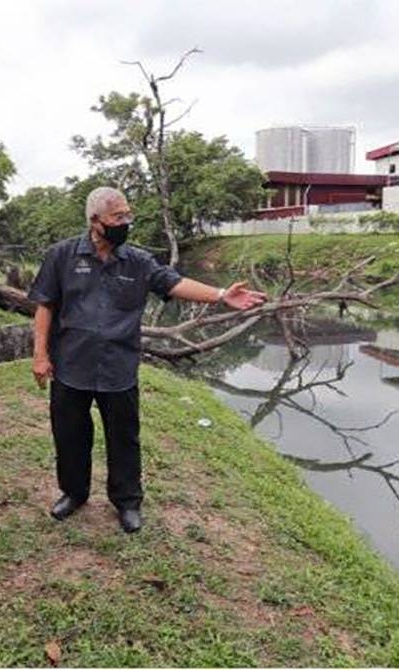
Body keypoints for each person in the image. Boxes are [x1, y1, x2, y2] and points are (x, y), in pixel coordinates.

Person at [29, 186, 266, 534]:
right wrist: (40, 355)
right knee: (70, 435)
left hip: (119, 367)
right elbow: (45, 305)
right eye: (119, 217)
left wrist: (220, 295)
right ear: (96, 221)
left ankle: (127, 502)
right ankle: (74, 493)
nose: (127, 222)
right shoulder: (62, 256)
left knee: (125, 438)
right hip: (71, 365)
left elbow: (174, 283)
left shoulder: (138, 261)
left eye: (128, 215)